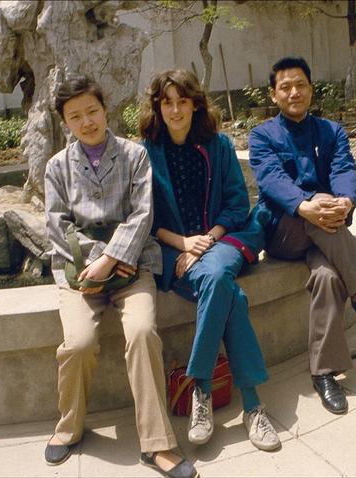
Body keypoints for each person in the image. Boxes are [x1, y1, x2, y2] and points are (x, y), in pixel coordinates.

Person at [44, 76, 198, 478]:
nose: (87, 122)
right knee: (78, 344)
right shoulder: (57, 167)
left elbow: (142, 214)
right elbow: (57, 226)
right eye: (75, 116)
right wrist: (100, 261)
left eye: (92, 111)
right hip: (80, 273)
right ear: (65, 122)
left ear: (105, 109)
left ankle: (157, 444)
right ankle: (69, 426)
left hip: (132, 269)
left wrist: (115, 258)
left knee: (143, 332)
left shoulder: (134, 155)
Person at [139, 68, 281, 452]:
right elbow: (144, 217)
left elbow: (237, 203)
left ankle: (199, 387)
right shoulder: (146, 153)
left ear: (196, 104)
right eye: (167, 102)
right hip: (174, 251)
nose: (175, 110)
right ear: (157, 107)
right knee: (228, 294)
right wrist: (184, 244)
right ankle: (253, 405)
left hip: (224, 239)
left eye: (182, 101)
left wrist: (207, 240)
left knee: (217, 274)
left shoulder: (218, 146)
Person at [248, 56, 356, 415]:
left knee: (328, 278)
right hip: (284, 231)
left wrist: (345, 200)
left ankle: (324, 373)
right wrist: (305, 204)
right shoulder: (262, 135)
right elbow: (271, 180)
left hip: (324, 232)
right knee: (315, 208)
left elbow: (344, 169)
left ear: (311, 90)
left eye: (300, 85)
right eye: (285, 87)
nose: (294, 92)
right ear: (274, 94)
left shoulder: (332, 132)